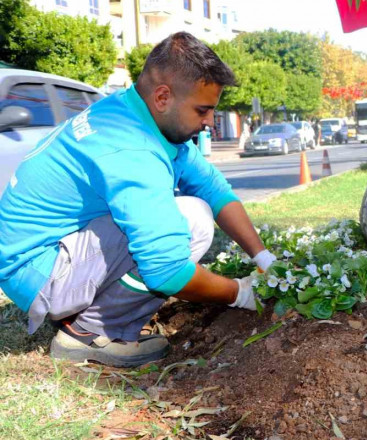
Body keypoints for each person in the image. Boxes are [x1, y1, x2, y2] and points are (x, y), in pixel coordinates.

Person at [0, 32, 276, 367]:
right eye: (203, 110)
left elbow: (213, 188)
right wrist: (241, 293)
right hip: (39, 275)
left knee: (193, 207)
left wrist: (263, 257)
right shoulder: (131, 148)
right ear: (163, 97)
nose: (208, 123)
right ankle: (89, 331)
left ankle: (89, 310)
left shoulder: (131, 113)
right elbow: (167, 271)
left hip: (41, 256)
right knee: (192, 221)